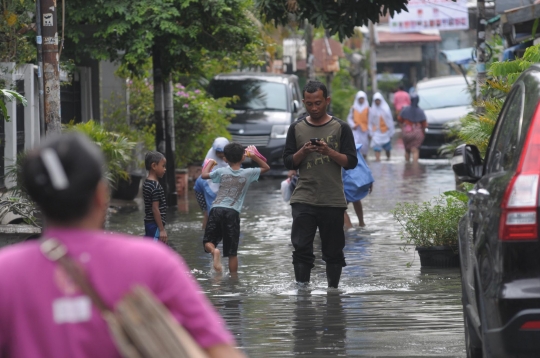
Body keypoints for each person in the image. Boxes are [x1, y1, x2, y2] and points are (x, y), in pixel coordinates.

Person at [0, 132, 245, 358]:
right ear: (101, 194)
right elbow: (221, 350)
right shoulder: (153, 262)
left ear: (33, 198)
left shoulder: (6, 273)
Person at [283, 80, 358, 288]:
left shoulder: (341, 128)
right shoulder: (296, 128)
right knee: (301, 248)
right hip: (303, 197)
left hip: (332, 199)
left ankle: (333, 293)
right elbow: (288, 161)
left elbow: (351, 162)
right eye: (309, 104)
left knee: (333, 251)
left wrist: (329, 152)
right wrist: (303, 151)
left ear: (327, 101)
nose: (314, 108)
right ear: (303, 102)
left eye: (318, 103)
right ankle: (302, 294)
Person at [201, 143, 270, 273]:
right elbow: (266, 167)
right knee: (232, 252)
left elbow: (204, 175)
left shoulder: (221, 171)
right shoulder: (248, 173)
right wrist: (253, 156)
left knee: (208, 242)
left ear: (225, 159)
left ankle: (214, 251)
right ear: (243, 158)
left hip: (216, 210)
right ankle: (234, 283)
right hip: (232, 213)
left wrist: (210, 163)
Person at [194, 137, 230, 229]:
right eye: (218, 152)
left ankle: (208, 234)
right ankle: (210, 235)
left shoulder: (230, 160)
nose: (220, 155)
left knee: (212, 213)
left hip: (212, 187)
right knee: (211, 213)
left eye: (223, 153)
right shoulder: (210, 161)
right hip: (203, 188)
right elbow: (207, 177)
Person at [343, 144, 374, 229]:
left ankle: (348, 227)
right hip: (364, 180)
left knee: (340, 207)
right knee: (356, 200)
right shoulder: (354, 148)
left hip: (351, 182)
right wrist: (371, 180)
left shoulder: (340, 150)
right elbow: (364, 165)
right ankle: (361, 223)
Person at [143, 151, 168, 242]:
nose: (165, 169)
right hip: (155, 225)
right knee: (155, 250)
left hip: (150, 224)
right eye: (163, 166)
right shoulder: (155, 186)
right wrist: (161, 229)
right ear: (154, 166)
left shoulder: (147, 183)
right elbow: (155, 208)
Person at [398, 94, 427, 163]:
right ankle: (415, 168)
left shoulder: (405, 110)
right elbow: (424, 125)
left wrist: (403, 129)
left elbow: (400, 120)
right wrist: (423, 134)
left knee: (407, 150)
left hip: (406, 133)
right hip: (417, 134)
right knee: (415, 150)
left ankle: (407, 167)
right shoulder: (420, 111)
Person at [369, 92, 395, 161]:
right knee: (377, 149)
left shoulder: (386, 109)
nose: (377, 102)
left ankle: (388, 160)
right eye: (376, 100)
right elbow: (370, 122)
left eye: (378, 100)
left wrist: (391, 132)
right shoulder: (372, 110)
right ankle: (377, 163)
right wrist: (371, 133)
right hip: (376, 133)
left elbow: (390, 121)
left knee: (388, 149)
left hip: (385, 132)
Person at [346, 91, 370, 158]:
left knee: (365, 145)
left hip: (364, 130)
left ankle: (365, 159)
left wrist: (370, 131)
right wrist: (353, 125)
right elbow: (349, 118)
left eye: (362, 98)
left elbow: (370, 120)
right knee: (355, 144)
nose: (361, 100)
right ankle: (356, 160)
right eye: (360, 98)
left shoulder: (368, 108)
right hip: (356, 129)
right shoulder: (353, 108)